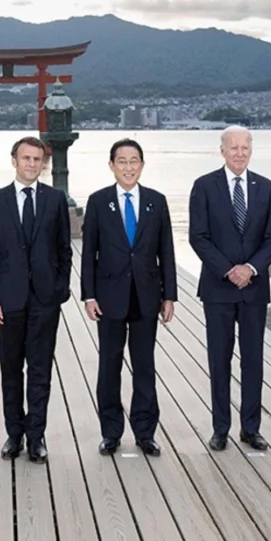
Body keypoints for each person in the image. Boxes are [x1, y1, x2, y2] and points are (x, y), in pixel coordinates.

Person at [0, 137, 73, 463]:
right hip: (8, 300)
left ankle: (36, 436)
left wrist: (60, 289)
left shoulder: (56, 199)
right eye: (26, 158)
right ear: (14, 160)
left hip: (46, 300)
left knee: (41, 370)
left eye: (37, 159)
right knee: (10, 370)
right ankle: (13, 434)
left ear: (43, 163)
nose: (32, 164)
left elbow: (64, 250)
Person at [188, 125, 271, 452]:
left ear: (251, 150)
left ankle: (251, 428)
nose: (239, 153)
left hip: (255, 288)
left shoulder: (267, 188)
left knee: (253, 360)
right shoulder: (204, 187)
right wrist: (228, 270)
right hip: (218, 288)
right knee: (219, 359)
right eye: (234, 147)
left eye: (245, 147)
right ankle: (220, 428)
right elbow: (198, 237)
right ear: (222, 150)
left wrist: (251, 268)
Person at [81, 138, 177, 457]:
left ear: (142, 165)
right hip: (109, 297)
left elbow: (167, 251)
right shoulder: (98, 202)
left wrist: (170, 296)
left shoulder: (156, 201)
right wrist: (89, 295)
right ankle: (111, 432)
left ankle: (145, 431)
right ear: (111, 166)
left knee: (144, 365)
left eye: (134, 160)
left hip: (147, 295)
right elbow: (88, 253)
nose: (128, 167)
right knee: (109, 365)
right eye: (121, 161)